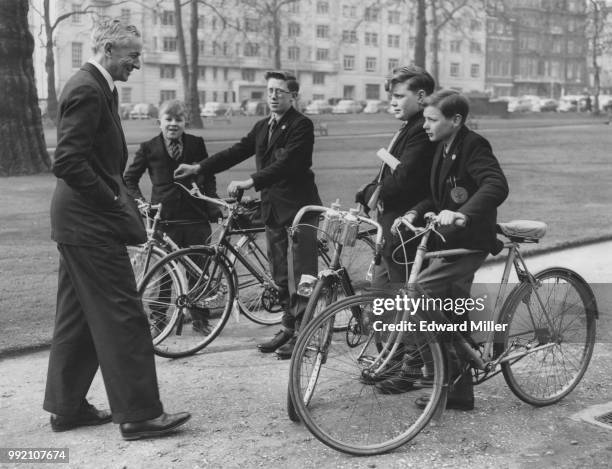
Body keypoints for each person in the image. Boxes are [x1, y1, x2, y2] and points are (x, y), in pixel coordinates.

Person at [44, 18, 190, 440]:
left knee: (76, 318)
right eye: (133, 55)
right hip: (89, 225)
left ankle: (66, 407)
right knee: (124, 315)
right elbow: (67, 161)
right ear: (108, 50)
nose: (138, 64)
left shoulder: (95, 86)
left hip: (77, 225)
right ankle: (140, 414)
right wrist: (111, 201)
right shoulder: (88, 89)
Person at [174, 71, 321, 359]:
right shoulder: (263, 126)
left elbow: (287, 164)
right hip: (273, 210)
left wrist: (250, 181)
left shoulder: (301, 126)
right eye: (270, 91)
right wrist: (199, 168)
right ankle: (289, 328)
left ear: (293, 96)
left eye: (280, 91)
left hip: (299, 209)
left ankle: (305, 334)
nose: (274, 96)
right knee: (279, 274)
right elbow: (235, 152)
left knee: (300, 275)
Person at [376, 90, 509, 410]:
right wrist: (414, 212)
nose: (425, 126)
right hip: (445, 241)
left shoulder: (473, 145)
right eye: (425, 119)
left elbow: (496, 184)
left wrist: (463, 213)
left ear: (456, 120)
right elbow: (436, 198)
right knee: (446, 310)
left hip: (469, 241)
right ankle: (459, 389)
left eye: (432, 120)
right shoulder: (441, 147)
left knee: (422, 292)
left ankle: (445, 376)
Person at [124, 99, 221, 334]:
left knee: (199, 270)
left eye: (179, 119)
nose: (173, 124)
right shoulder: (149, 147)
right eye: (169, 119)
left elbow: (207, 174)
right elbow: (129, 179)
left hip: (195, 217)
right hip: (164, 219)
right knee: (164, 273)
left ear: (185, 121)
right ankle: (159, 319)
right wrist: (140, 203)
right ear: (159, 122)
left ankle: (200, 319)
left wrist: (212, 203)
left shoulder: (196, 144)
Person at [355, 65, 436, 290]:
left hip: (406, 231)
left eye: (399, 96)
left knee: (404, 303)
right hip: (391, 229)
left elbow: (402, 181)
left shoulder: (422, 129)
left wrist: (369, 192)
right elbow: (390, 172)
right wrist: (371, 190)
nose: (392, 102)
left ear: (421, 96)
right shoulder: (410, 126)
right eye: (392, 96)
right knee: (381, 297)